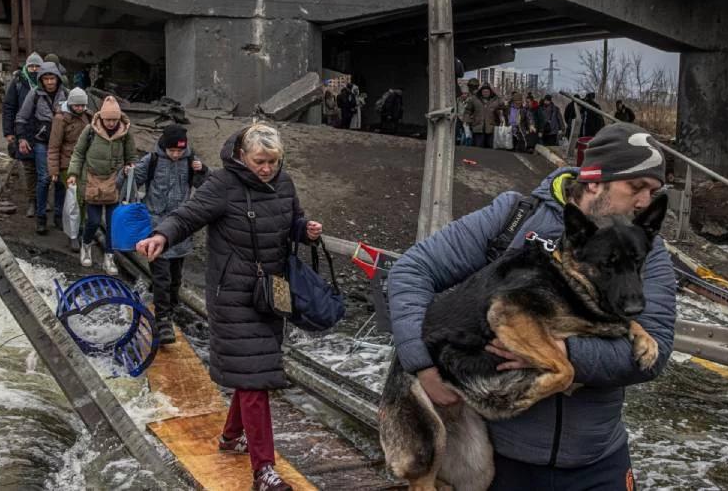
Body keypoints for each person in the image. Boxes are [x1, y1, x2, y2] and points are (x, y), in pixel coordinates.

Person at [387, 123, 676, 490]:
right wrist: (421, 364)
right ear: (593, 181)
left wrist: (559, 351)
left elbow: (656, 352)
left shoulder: (644, 251)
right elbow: (411, 271)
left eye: (653, 192)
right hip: (504, 460)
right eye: (636, 188)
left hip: (598, 463)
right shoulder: (515, 217)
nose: (644, 203)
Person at [135, 124, 324, 491]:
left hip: (272, 293)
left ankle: (230, 437)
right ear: (242, 156)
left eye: (272, 161)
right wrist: (162, 235)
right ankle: (264, 472)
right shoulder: (223, 184)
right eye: (260, 161)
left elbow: (291, 221)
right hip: (232, 296)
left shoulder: (283, 184)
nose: (267, 168)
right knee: (255, 377)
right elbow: (188, 215)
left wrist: (306, 231)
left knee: (253, 370)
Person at [127, 124, 207, 344]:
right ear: (165, 147)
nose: (176, 155)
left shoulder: (191, 161)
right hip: (155, 228)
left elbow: (206, 187)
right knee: (162, 277)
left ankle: (171, 308)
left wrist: (202, 171)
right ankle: (162, 321)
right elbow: (130, 183)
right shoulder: (151, 160)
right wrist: (127, 175)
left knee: (175, 278)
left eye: (180, 151)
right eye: (172, 151)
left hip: (181, 230)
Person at [68, 96, 135, 271]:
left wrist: (129, 168)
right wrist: (73, 173)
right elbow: (78, 153)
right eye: (108, 119)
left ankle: (109, 257)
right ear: (102, 117)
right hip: (92, 180)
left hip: (114, 181)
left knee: (114, 223)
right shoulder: (90, 131)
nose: (111, 123)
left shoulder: (125, 134)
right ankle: (86, 245)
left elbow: (131, 157)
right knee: (94, 221)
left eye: (114, 119)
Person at [15, 61, 69, 235]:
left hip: (62, 143)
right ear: (41, 80)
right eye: (46, 78)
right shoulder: (34, 95)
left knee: (61, 180)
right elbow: (22, 117)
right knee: (44, 178)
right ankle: (41, 217)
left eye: (52, 78)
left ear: (57, 78)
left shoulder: (66, 94)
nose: (50, 82)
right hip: (42, 142)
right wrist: (22, 138)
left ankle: (59, 216)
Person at [48, 87, 93, 251]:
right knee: (74, 201)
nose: (80, 109)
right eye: (77, 106)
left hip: (85, 164)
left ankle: (80, 230)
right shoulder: (61, 119)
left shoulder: (88, 117)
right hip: (67, 164)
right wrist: (53, 170)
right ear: (71, 104)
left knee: (84, 200)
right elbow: (54, 146)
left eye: (83, 106)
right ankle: (72, 235)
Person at [2, 52, 42, 217]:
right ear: (26, 66)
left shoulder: (47, 82)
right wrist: (9, 132)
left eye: (36, 66)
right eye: (31, 66)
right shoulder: (18, 83)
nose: (33, 69)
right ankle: (32, 201)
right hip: (24, 130)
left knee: (43, 169)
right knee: (29, 168)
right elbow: (9, 107)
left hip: (42, 131)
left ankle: (42, 198)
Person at [464, 83, 503, 149]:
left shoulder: (495, 100)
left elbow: (503, 106)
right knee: (478, 148)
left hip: (491, 128)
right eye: (484, 91)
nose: (485, 93)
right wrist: (468, 121)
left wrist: (498, 94)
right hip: (478, 128)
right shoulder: (474, 99)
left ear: (490, 92)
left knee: (490, 149)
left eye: (487, 91)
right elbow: (467, 111)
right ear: (481, 92)